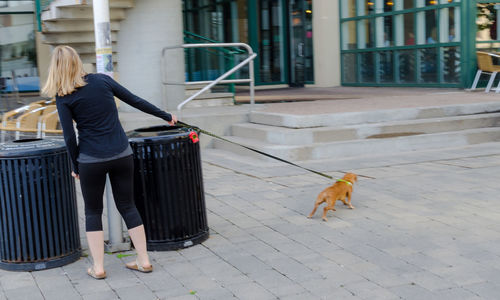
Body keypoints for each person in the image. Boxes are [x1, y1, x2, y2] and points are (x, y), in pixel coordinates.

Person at [42, 45, 178, 279]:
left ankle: (98, 267)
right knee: (128, 206)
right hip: (121, 154)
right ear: (77, 61)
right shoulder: (102, 81)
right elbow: (134, 100)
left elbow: (68, 136)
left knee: (93, 211)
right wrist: (166, 116)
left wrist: (75, 166)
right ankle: (143, 260)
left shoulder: (63, 96)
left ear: (55, 68)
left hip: (91, 160)